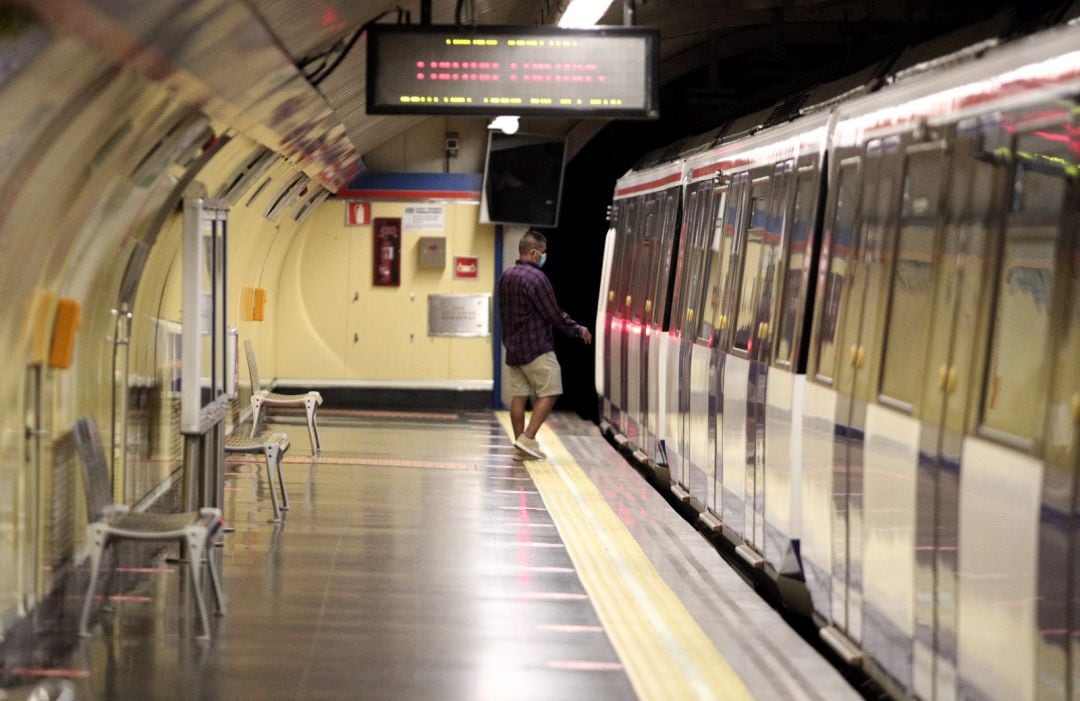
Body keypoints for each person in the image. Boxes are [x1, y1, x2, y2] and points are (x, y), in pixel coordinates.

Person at [498, 229, 592, 461]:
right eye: (543, 252)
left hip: (513, 348)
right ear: (532, 252)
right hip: (536, 347)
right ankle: (528, 438)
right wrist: (577, 329)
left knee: (519, 397)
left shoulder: (506, 276)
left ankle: (521, 447)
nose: (544, 255)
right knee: (551, 391)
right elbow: (553, 314)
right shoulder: (537, 279)